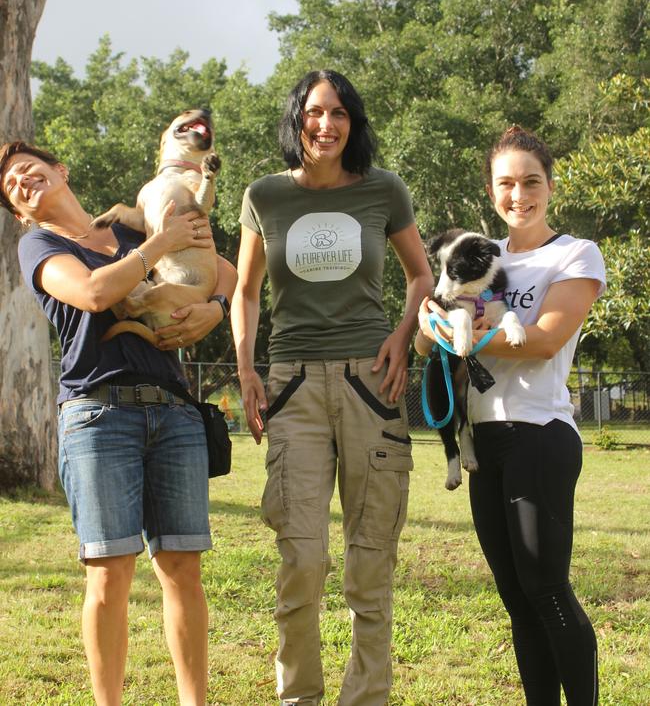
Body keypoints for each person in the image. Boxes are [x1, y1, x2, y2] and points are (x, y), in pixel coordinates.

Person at [0, 140, 237, 706]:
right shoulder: (41, 245)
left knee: (182, 568)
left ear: (60, 169)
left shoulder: (134, 230)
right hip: (97, 417)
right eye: (12, 187)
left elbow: (227, 271)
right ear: (19, 213)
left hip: (175, 412)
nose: (22, 182)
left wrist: (216, 309)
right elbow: (94, 292)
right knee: (109, 574)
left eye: (29, 171)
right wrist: (163, 243)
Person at [231, 70, 433, 706]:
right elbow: (244, 292)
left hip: (371, 384)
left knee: (370, 562)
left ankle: (366, 697)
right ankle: (301, 698)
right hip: (293, 390)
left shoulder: (383, 191)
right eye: (315, 112)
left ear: (354, 123)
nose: (327, 124)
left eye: (340, 112)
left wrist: (403, 335)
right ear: (297, 120)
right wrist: (245, 368)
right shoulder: (265, 195)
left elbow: (422, 276)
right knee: (303, 559)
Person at [416, 125, 605, 706]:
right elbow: (429, 343)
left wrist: (462, 333)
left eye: (531, 181)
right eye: (505, 183)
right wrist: (430, 329)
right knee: (516, 598)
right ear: (491, 190)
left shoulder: (574, 254)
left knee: (546, 589)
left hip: (539, 435)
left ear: (550, 186)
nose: (518, 194)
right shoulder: (474, 255)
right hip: (485, 445)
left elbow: (546, 340)